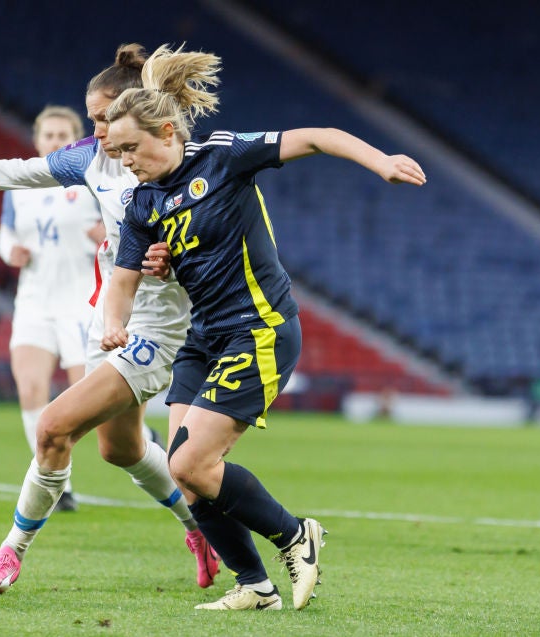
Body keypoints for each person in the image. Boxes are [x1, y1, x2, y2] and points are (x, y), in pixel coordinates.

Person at [0, 44, 220, 593]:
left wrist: (174, 258)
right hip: (104, 320)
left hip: (156, 333)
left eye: (106, 119)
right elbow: (14, 171)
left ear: (141, 115)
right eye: (94, 119)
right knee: (120, 449)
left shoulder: (183, 163)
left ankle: (11, 553)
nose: (98, 130)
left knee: (53, 428)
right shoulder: (90, 159)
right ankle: (200, 529)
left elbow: (220, 238)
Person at [102, 45, 427, 611]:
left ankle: (295, 534)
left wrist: (382, 162)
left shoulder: (224, 157)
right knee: (188, 477)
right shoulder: (141, 203)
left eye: (132, 147)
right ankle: (255, 587)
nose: (125, 159)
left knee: (188, 462)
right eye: (118, 150)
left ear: (168, 131)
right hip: (203, 338)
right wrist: (114, 325)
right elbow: (122, 279)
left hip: (260, 329)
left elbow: (320, 134)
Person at [0, 105, 105, 512]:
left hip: (82, 303)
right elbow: (4, 236)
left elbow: (125, 227)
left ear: (77, 140)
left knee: (88, 402)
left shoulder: (94, 179)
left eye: (64, 136)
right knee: (30, 390)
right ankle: (58, 483)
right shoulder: (21, 185)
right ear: (37, 139)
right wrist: (12, 252)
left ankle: (141, 436)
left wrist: (106, 234)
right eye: (49, 135)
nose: (55, 142)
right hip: (35, 303)